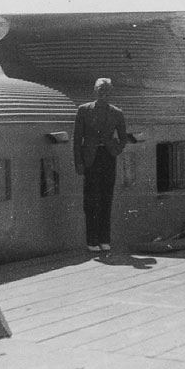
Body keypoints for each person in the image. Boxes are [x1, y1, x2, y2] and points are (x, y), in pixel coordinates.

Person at [73, 78, 127, 253]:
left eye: (106, 91)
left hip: (108, 157)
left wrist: (114, 149)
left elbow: (123, 137)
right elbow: (76, 139)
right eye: (100, 90)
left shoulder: (117, 113)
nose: (103, 93)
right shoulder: (83, 110)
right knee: (91, 201)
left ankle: (104, 239)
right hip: (90, 158)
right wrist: (79, 163)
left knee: (106, 199)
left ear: (110, 93)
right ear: (95, 91)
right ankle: (92, 241)